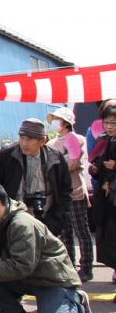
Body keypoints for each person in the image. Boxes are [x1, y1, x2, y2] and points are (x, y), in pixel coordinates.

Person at [0, 182, 93, 313]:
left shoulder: (22, 224)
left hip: (52, 280)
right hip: (30, 277)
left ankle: (78, 303)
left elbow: (21, 267)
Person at [0, 118, 72, 238]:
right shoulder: (8, 155)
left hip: (47, 217)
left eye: (29, 139)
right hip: (15, 217)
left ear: (42, 141)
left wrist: (57, 218)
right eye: (22, 138)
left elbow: (66, 190)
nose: (24, 143)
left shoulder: (55, 157)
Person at [47, 107, 94, 282]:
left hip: (74, 191)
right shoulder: (51, 144)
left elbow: (73, 163)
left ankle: (86, 267)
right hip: (58, 194)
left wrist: (55, 168)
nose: (54, 123)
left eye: (57, 119)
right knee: (65, 232)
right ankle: (69, 267)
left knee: (81, 230)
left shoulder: (76, 139)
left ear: (66, 122)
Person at [89, 104, 116, 290]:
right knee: (107, 236)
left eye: (113, 122)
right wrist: (95, 169)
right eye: (106, 122)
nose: (109, 126)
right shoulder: (102, 140)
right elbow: (94, 165)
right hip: (106, 197)